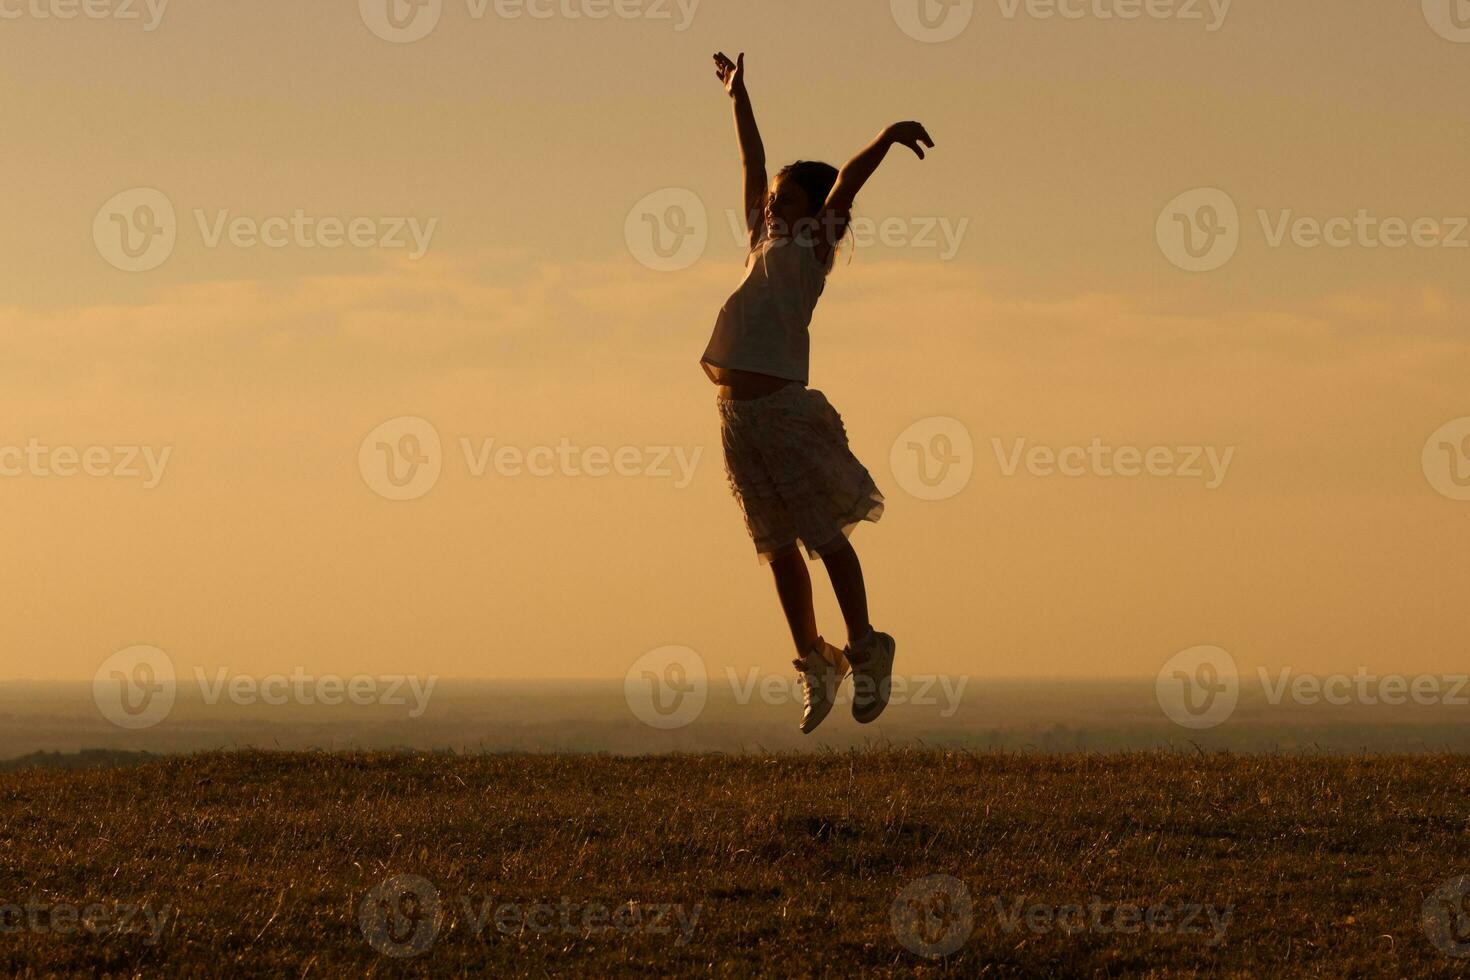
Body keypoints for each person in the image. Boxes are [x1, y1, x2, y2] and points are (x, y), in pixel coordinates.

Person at [700, 51, 934, 733]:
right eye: (772, 199)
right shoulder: (757, 238)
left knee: (823, 535)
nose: (772, 203)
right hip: (736, 416)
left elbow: (846, 186)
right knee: (774, 545)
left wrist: (887, 137)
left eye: (786, 197)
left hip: (785, 411)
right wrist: (738, 98)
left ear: (810, 210)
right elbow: (751, 160)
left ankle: (866, 647)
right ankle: (815, 657)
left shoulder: (813, 246)